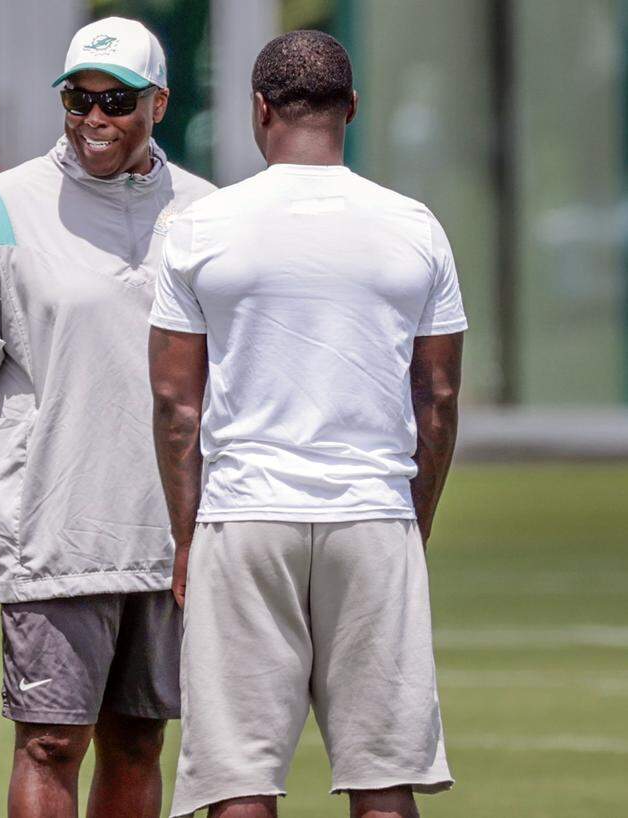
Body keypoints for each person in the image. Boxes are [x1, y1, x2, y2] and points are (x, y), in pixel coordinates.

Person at [149, 30, 464, 818]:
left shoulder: (201, 226)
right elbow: (438, 395)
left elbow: (176, 405)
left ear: (260, 109)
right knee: (384, 779)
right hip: (373, 513)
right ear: (351, 108)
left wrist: (187, 537)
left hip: (245, 514)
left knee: (238, 782)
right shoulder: (414, 225)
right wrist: (413, 518)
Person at [0, 17, 214, 818]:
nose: (93, 119)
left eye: (116, 101)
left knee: (139, 742)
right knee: (50, 742)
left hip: (171, 535)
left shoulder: (208, 210)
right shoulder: (0, 207)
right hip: (50, 529)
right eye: (78, 100)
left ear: (159, 104)